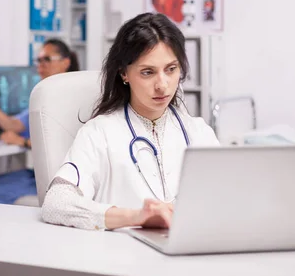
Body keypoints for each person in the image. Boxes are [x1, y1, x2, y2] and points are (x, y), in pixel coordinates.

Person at [41, 13, 220, 231]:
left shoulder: (198, 133)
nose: (162, 85)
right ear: (124, 73)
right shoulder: (100, 133)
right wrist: (137, 217)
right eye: (148, 72)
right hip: (120, 259)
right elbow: (56, 203)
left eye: (171, 69)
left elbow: (228, 198)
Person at [0, 38, 79, 205]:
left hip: (62, 178)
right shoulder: (43, 95)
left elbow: (66, 147)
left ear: (66, 62)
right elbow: (14, 125)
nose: (41, 64)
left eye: (47, 59)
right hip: (40, 173)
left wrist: (22, 141)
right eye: (39, 60)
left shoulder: (74, 98)